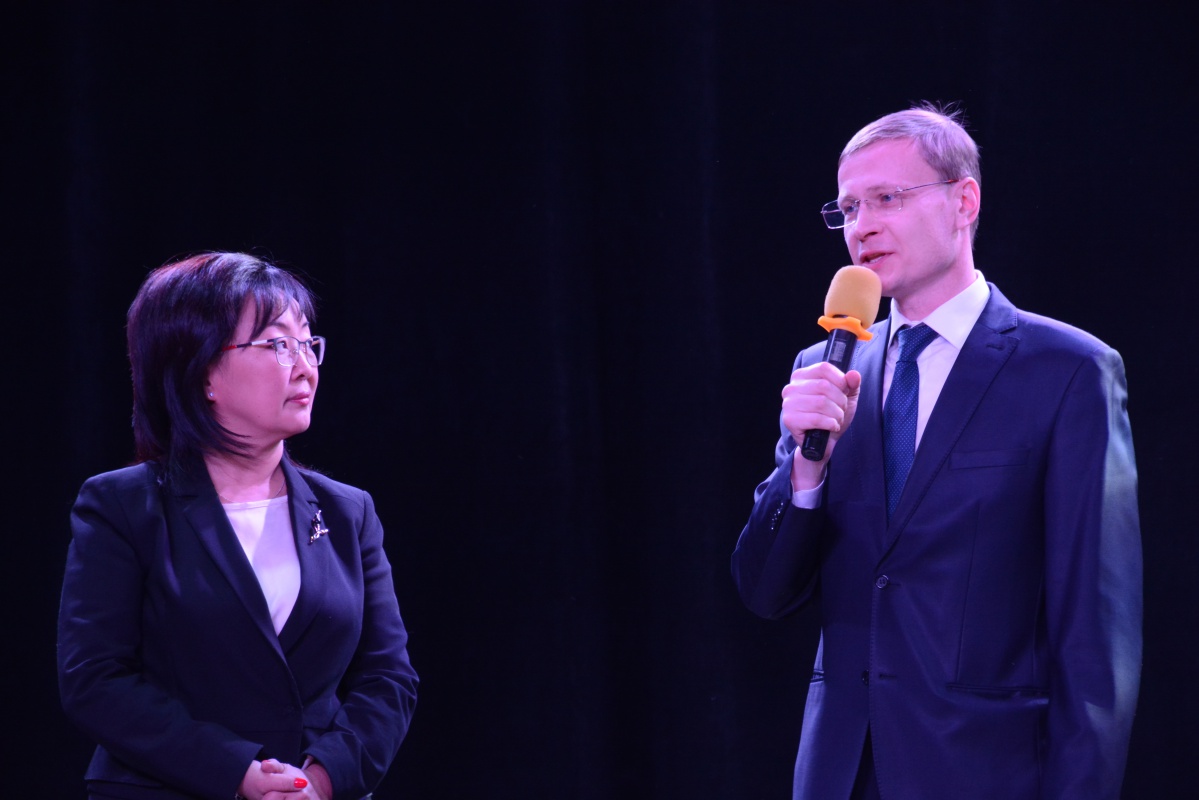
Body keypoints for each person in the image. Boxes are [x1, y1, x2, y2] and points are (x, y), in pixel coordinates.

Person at [731, 105, 1141, 799]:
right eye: (848, 207)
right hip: (839, 777)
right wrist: (805, 470)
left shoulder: (1066, 371)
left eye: (886, 198)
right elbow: (765, 592)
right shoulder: (826, 370)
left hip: (986, 774)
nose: (861, 226)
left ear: (963, 202)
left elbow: (1095, 643)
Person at [58, 252, 418, 800]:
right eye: (277, 344)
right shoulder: (122, 506)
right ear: (202, 371)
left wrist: (319, 780)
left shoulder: (349, 511)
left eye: (308, 343)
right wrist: (237, 774)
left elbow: (388, 678)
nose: (305, 365)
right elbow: (95, 679)